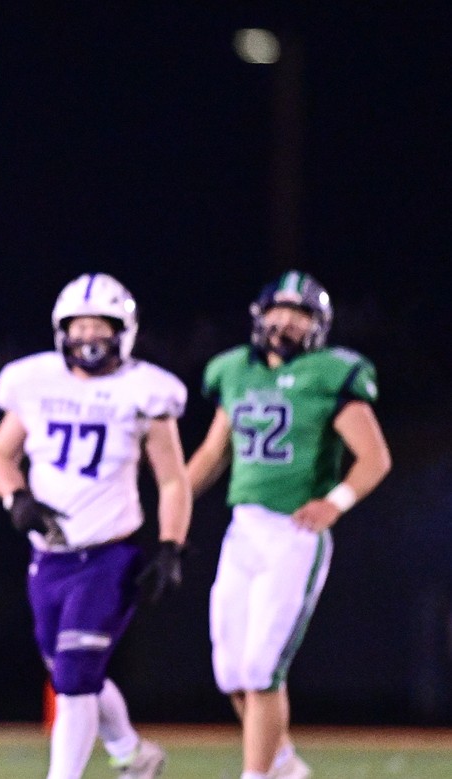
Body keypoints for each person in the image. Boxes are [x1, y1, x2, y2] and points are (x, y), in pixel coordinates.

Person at [185, 270, 392, 779]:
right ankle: (284, 765)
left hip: (293, 535)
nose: (287, 322)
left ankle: (258, 775)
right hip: (243, 531)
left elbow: (375, 457)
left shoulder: (331, 373)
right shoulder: (234, 371)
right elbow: (215, 452)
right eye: (280, 310)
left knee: (261, 670)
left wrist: (335, 502)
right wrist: (171, 505)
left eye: (300, 314)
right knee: (231, 671)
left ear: (318, 325)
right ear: (260, 316)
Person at [0, 273, 190, 779]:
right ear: (62, 330)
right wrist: (16, 499)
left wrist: (170, 546)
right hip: (48, 556)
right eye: (80, 326)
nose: (90, 337)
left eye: (102, 326)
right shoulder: (34, 381)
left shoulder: (145, 389)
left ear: (125, 331)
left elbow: (173, 481)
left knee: (75, 676)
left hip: (108, 554)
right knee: (71, 671)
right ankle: (131, 754)